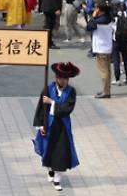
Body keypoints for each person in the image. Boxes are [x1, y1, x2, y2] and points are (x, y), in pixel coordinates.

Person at [31, 62, 80, 192]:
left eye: (66, 78)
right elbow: (41, 108)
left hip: (63, 127)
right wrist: (41, 125)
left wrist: (52, 102)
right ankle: (50, 170)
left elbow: (67, 109)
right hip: (49, 124)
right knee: (47, 151)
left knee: (61, 154)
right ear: (56, 78)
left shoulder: (71, 92)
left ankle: (57, 179)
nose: (63, 80)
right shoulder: (48, 89)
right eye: (61, 78)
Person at [86, 0, 114, 99]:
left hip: (101, 48)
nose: (95, 9)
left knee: (103, 71)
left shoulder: (99, 21)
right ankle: (106, 89)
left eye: (97, 8)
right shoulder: (109, 18)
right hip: (107, 47)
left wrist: (93, 16)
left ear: (100, 10)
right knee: (107, 70)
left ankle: (106, 92)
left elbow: (89, 27)